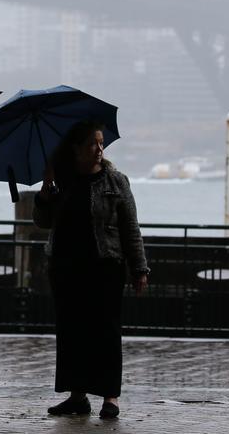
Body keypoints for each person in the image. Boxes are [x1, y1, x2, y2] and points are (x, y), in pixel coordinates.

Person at [33, 120, 149, 420]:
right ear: (76, 149)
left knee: (106, 333)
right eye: (92, 144)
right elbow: (43, 222)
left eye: (101, 143)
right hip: (66, 268)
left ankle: (110, 397)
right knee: (72, 333)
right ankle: (77, 396)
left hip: (104, 266)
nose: (99, 149)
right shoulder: (63, 180)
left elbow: (130, 228)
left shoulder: (116, 181)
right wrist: (45, 193)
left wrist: (139, 268)